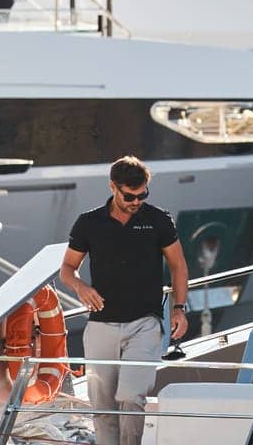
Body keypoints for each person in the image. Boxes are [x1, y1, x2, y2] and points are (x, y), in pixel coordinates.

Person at [61, 157, 190, 445]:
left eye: (142, 195)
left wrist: (179, 309)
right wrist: (81, 287)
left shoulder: (158, 220)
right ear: (112, 187)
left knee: (132, 396)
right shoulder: (89, 222)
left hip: (145, 322)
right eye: (129, 196)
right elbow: (67, 269)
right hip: (101, 325)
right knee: (103, 409)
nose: (136, 202)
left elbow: (179, 266)